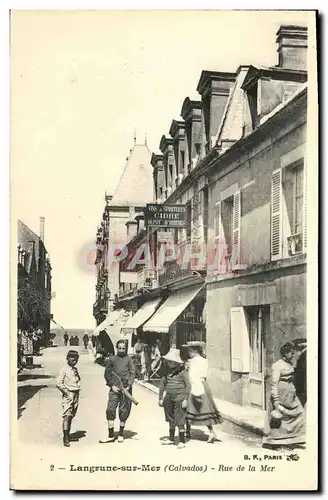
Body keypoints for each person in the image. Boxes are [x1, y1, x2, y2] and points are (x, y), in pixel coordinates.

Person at [262, 342, 306, 451]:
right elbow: (274, 383)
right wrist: (276, 400)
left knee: (300, 413)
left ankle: (292, 439)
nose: (293, 355)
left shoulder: (289, 363)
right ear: (285, 353)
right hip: (280, 395)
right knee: (280, 420)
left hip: (290, 395)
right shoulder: (277, 366)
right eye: (291, 353)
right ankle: (276, 443)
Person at [100, 340, 136, 444]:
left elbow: (132, 373)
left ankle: (120, 434)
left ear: (126, 349)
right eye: (119, 348)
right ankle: (111, 435)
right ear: (117, 348)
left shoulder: (129, 360)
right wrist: (111, 385)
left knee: (124, 410)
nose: (121, 350)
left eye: (123, 348)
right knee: (110, 409)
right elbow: (107, 374)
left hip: (126, 388)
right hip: (114, 388)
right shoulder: (111, 359)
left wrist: (129, 385)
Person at [185, 344, 222, 443]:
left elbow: (190, 375)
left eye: (190, 351)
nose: (188, 353)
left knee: (188, 408)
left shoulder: (191, 362)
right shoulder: (204, 360)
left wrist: (187, 368)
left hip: (194, 385)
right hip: (203, 385)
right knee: (205, 409)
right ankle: (211, 431)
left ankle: (187, 430)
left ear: (194, 351)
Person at [158, 348, 190, 449]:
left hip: (180, 398)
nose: (168, 363)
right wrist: (160, 398)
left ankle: (181, 440)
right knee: (170, 418)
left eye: (171, 361)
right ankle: (171, 438)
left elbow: (188, 386)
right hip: (168, 397)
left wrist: (186, 399)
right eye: (168, 361)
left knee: (180, 419)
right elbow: (162, 384)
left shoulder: (183, 372)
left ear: (176, 362)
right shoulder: (166, 372)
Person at [56, 350, 81, 447]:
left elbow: (77, 380)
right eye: (72, 359)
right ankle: (65, 438)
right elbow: (59, 383)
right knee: (67, 415)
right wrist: (67, 393)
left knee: (71, 415)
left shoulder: (75, 369)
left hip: (76, 394)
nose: (74, 361)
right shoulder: (64, 369)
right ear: (67, 358)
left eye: (75, 360)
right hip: (69, 394)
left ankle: (68, 435)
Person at [293, 339, 307, 408]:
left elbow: (302, 371)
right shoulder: (302, 355)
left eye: (296, 348)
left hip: (302, 384)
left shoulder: (304, 355)